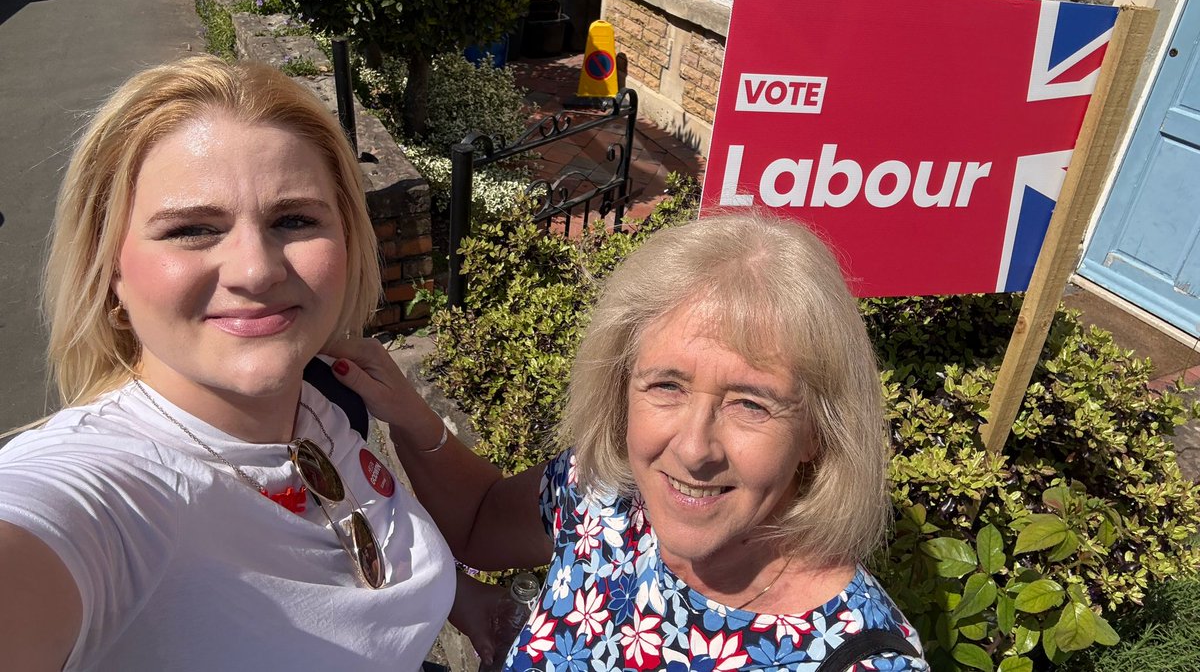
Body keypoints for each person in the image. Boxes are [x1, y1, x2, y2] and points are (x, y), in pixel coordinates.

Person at [0, 57, 459, 670]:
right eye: (192, 229)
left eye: (293, 220)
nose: (256, 271)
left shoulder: (324, 394)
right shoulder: (102, 497)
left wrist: (463, 598)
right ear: (110, 268)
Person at [329, 213, 929, 671]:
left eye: (751, 403)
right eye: (666, 386)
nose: (694, 450)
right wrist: (404, 413)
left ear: (816, 434)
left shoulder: (862, 659)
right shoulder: (607, 493)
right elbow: (481, 522)